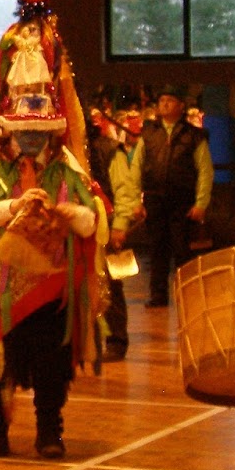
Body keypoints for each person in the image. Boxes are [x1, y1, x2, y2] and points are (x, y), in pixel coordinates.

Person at [0, 0, 105, 460]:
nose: (33, 140)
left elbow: (93, 221)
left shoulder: (69, 168)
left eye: (40, 132)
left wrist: (66, 213)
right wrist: (13, 209)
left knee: (52, 365)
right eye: (25, 133)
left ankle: (49, 428)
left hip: (53, 286)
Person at [138, 83, 211, 307]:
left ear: (181, 106)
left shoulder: (194, 135)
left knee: (182, 250)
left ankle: (186, 294)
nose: (164, 104)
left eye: (170, 100)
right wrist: (135, 201)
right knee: (157, 249)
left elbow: (205, 170)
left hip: (183, 201)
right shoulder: (149, 133)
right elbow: (136, 168)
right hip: (154, 198)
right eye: (161, 101)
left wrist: (201, 203)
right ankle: (158, 295)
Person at [92, 101, 145, 360]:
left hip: (108, 224)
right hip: (81, 226)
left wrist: (119, 226)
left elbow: (124, 189)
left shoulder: (108, 150)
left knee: (111, 284)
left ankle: (116, 340)